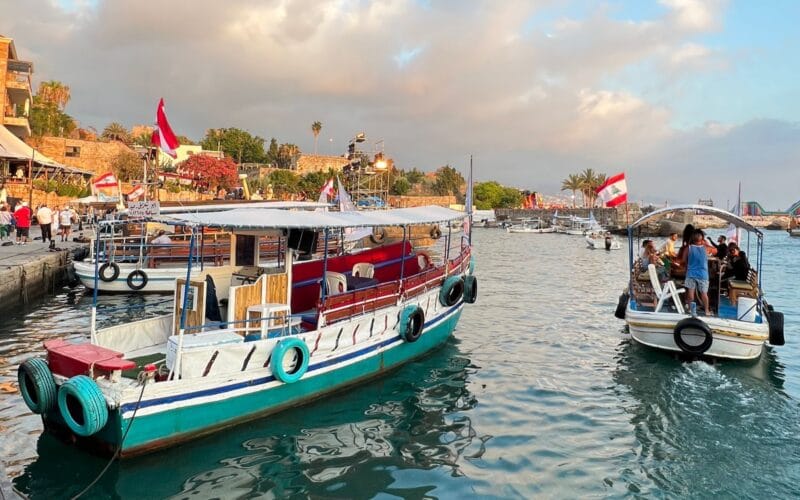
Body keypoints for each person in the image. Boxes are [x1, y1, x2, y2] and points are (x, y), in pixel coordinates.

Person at [683, 230, 711, 316]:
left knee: (691, 294)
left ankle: (692, 310)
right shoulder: (706, 247)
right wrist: (705, 242)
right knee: (704, 293)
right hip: (703, 274)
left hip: (691, 273)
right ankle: (707, 310)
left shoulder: (688, 248)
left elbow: (684, 259)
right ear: (702, 238)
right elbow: (716, 251)